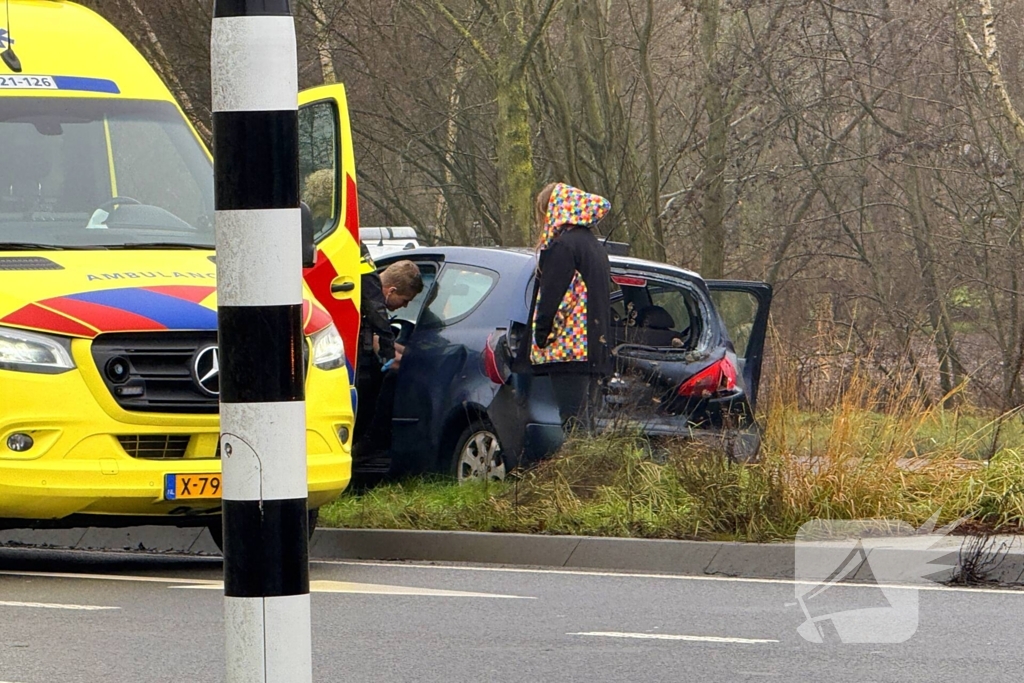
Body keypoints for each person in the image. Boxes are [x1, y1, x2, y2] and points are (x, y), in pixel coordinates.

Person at [529, 182, 613, 428]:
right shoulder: (594, 246)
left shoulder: (563, 247)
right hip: (595, 348)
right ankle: (590, 466)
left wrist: (541, 335)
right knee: (587, 424)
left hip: (569, 348)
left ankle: (577, 467)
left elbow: (553, 298)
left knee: (573, 424)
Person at [354, 251, 423, 459]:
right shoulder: (365, 296)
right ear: (391, 291)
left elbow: (380, 339)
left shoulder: (359, 285)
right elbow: (375, 337)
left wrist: (409, 354)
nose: (405, 306)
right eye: (404, 300)